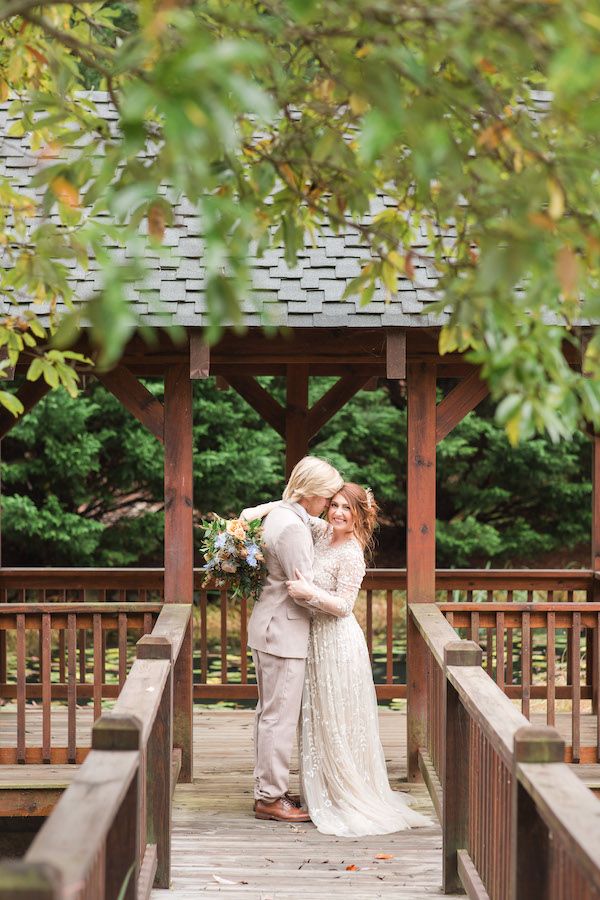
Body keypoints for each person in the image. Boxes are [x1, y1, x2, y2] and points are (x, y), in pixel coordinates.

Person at [246, 483, 432, 837]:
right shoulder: (320, 532)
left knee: (336, 717)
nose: (338, 513)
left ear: (359, 515)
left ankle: (339, 791)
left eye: (347, 508)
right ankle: (320, 787)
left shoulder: (351, 552)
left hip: (337, 643)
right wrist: (254, 513)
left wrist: (309, 592)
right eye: (334, 505)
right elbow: (291, 507)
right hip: (311, 641)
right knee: (316, 716)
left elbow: (345, 606)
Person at [244, 456, 344, 823]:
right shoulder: (293, 530)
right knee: (278, 717)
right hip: (283, 630)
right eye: (328, 496)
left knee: (270, 713)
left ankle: (269, 788)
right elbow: (305, 586)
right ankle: (270, 797)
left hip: (271, 627)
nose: (330, 503)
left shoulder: (281, 515)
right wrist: (337, 599)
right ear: (313, 493)